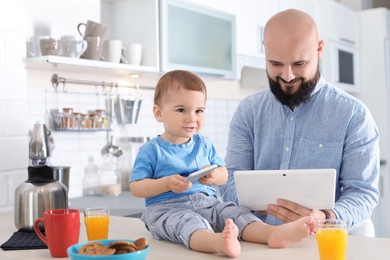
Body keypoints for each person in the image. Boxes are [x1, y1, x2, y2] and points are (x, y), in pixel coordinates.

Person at [219, 9, 380, 232]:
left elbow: (363, 192)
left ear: (320, 49)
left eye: (299, 64)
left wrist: (326, 217)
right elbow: (230, 181)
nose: (287, 76)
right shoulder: (248, 111)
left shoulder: (354, 115)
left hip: (321, 240)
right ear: (264, 49)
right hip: (258, 239)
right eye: (276, 64)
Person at [129, 70, 316, 258]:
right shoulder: (151, 150)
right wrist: (166, 183)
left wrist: (214, 176)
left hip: (208, 203)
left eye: (199, 111)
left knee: (235, 212)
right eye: (181, 110)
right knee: (186, 222)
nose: (191, 118)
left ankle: (271, 233)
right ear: (158, 113)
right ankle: (217, 243)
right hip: (167, 208)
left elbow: (224, 174)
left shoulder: (204, 144)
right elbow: (136, 187)